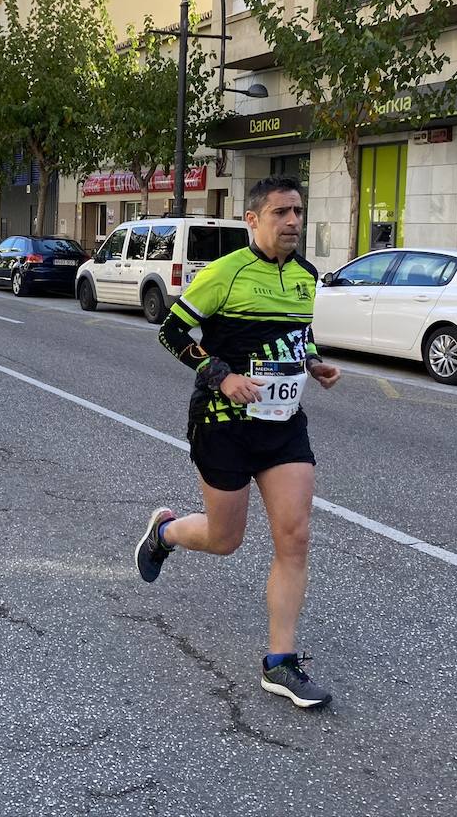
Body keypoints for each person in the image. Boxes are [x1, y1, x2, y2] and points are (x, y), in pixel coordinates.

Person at [136, 175, 343, 709]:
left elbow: (298, 333)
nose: (293, 221)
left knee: (294, 536)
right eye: (281, 213)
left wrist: (312, 362)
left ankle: (280, 662)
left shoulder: (305, 277)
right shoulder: (223, 274)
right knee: (226, 539)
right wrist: (220, 374)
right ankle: (166, 531)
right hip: (223, 423)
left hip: (283, 425)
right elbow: (171, 332)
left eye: (298, 211)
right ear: (253, 220)